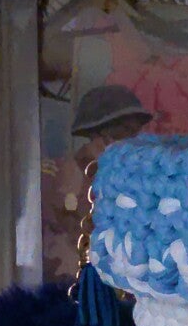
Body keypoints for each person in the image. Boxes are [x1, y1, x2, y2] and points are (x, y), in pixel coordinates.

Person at [40, 84, 154, 282]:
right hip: (75, 280)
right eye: (126, 131)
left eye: (136, 132)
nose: (135, 140)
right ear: (101, 135)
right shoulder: (62, 176)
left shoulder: (136, 178)